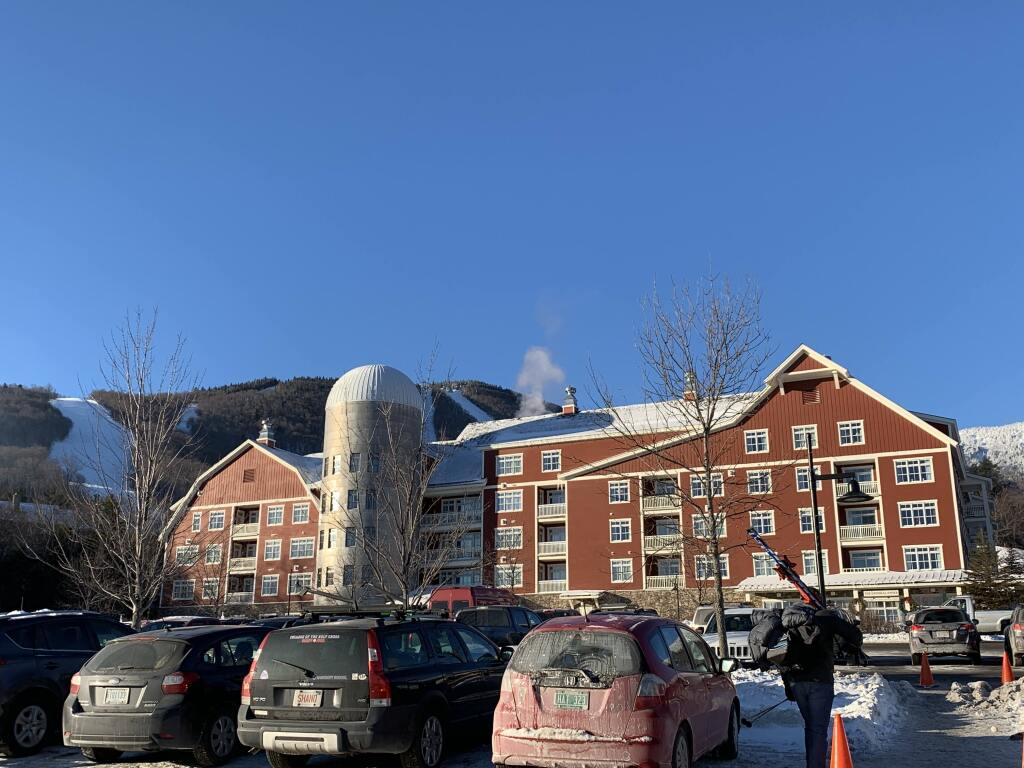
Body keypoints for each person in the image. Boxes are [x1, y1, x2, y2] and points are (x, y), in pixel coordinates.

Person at [780, 603, 864, 768]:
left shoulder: (788, 622)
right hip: (820, 680)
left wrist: (787, 685)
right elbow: (855, 637)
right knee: (818, 728)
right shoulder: (825, 619)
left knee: (811, 726)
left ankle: (812, 763)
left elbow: (781, 656)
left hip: (796, 681)